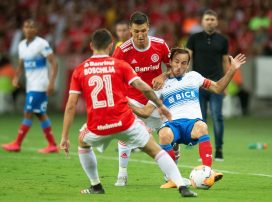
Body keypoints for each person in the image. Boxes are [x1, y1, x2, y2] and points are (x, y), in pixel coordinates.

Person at [59, 28, 197, 197]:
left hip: (97, 125)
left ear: (90, 45)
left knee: (82, 141)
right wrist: (159, 104)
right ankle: (181, 185)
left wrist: (65, 136)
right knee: (156, 150)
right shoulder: (120, 65)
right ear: (110, 46)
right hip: (124, 122)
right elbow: (143, 87)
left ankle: (96, 185)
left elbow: (71, 105)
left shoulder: (80, 69)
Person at [129, 48, 246, 188]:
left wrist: (232, 69)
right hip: (173, 125)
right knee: (164, 134)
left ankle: (208, 173)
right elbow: (146, 112)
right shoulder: (160, 85)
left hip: (192, 124)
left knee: (202, 127)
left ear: (188, 64)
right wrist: (126, 103)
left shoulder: (194, 77)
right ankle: (173, 179)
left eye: (184, 63)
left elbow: (218, 88)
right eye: (176, 62)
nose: (179, 66)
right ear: (170, 62)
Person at [112, 11, 172, 186]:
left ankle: (169, 175)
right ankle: (122, 174)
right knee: (126, 135)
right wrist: (123, 100)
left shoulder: (160, 45)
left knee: (169, 136)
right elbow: (114, 78)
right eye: (136, 31)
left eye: (143, 31)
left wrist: (164, 75)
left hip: (156, 98)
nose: (140, 35)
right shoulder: (122, 51)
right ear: (130, 29)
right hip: (133, 99)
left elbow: (175, 67)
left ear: (149, 28)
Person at [2, 19, 59, 153]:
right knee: (40, 114)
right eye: (26, 27)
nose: (29, 29)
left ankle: (17, 143)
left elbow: (54, 63)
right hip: (31, 85)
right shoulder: (22, 45)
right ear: (23, 29)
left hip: (40, 85)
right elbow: (21, 64)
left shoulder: (42, 43)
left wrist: (51, 83)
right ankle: (52, 145)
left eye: (32, 27)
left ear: (36, 30)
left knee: (28, 113)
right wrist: (16, 77)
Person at [186, 9, 230, 161]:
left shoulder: (223, 40)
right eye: (207, 19)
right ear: (202, 22)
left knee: (217, 117)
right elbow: (187, 58)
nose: (210, 21)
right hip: (198, 85)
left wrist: (226, 84)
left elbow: (225, 61)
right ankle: (203, 150)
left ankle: (218, 150)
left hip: (216, 84)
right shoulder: (194, 38)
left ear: (216, 22)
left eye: (212, 19)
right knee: (200, 118)